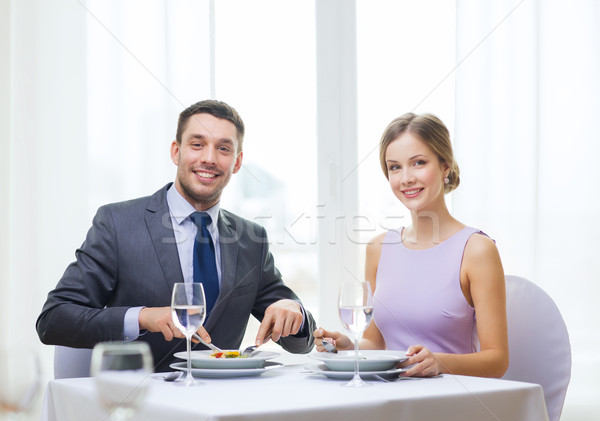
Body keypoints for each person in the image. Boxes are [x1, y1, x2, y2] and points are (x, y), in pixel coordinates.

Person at [37, 99, 316, 372]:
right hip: (138, 404)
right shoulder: (117, 223)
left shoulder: (251, 239)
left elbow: (299, 343)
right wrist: (144, 317)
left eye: (223, 148)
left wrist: (295, 312)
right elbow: (54, 320)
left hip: (224, 405)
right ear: (176, 152)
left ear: (237, 162)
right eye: (197, 144)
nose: (209, 158)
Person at [314, 112, 508, 378]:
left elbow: (497, 360)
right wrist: (349, 346)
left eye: (418, 163)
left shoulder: (477, 250)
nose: (405, 178)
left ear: (445, 166)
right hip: (391, 398)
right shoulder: (378, 248)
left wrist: (439, 363)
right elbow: (376, 344)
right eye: (395, 167)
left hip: (451, 401)